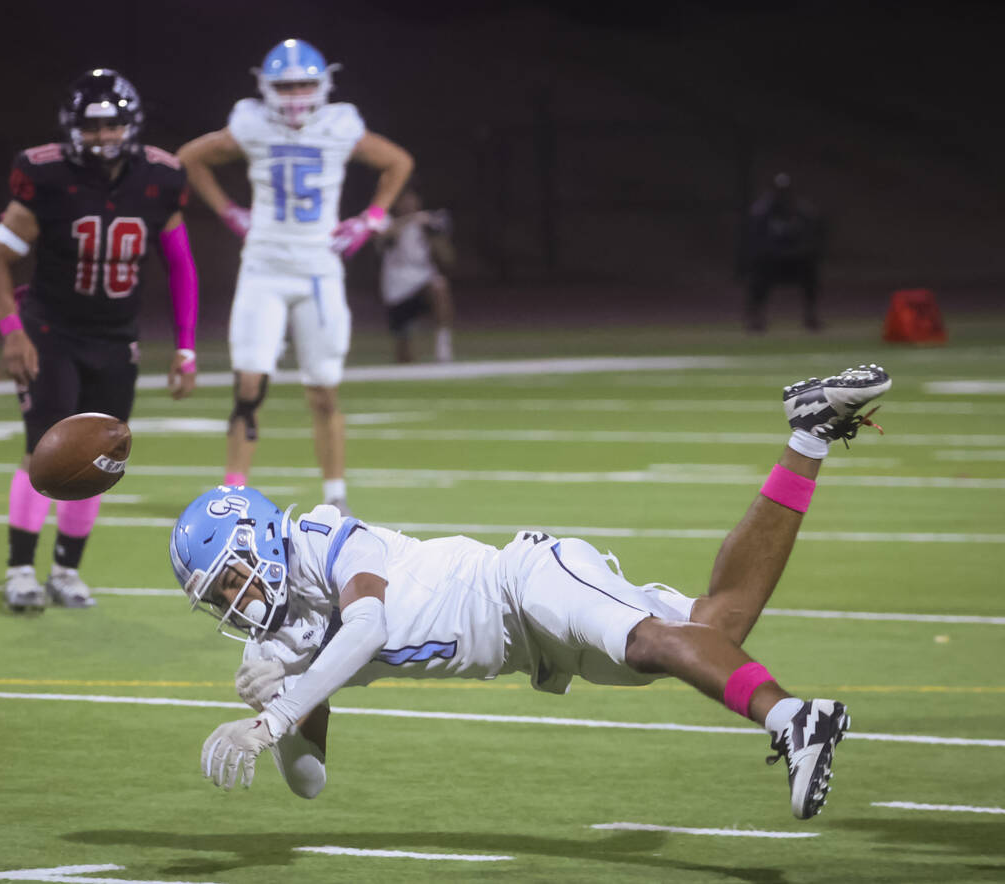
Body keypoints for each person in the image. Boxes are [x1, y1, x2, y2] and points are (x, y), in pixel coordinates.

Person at [170, 364, 893, 820]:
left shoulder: (324, 537)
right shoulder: (276, 645)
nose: (234, 601)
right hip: (531, 654)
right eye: (217, 596)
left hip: (522, 580)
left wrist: (278, 712)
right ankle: (809, 436)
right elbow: (310, 785)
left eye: (231, 577)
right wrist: (283, 704)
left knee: (650, 641)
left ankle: (797, 719)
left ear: (262, 537)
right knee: (713, 630)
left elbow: (365, 626)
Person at [0, 68, 201, 612]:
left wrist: (186, 344)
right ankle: (19, 570)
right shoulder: (45, 176)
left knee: (102, 457)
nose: (102, 137)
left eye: (112, 126)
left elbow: (180, 266)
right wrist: (12, 332)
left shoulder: (160, 178)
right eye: (92, 126)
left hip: (116, 336)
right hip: (51, 331)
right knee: (43, 449)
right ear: (72, 128)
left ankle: (66, 571)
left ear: (131, 126)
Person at [177, 38, 414, 516]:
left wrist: (371, 218)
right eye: (285, 86)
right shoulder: (251, 124)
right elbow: (189, 157)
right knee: (248, 386)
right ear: (267, 88)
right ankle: (234, 495)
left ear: (322, 84)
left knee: (323, 391)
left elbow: (397, 162)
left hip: (318, 272)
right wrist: (228, 212)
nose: (295, 95)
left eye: (304, 83)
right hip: (263, 265)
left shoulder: (339, 125)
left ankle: (336, 497)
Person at [376, 181, 456, 363]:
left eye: (412, 200)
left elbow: (448, 258)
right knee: (404, 356)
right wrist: (414, 218)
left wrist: (438, 235)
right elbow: (385, 237)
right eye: (404, 201)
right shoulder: (387, 220)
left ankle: (443, 345)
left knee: (439, 287)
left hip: (422, 280)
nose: (409, 204)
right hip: (396, 289)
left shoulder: (426, 225)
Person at [740, 173, 826, 333]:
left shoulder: (801, 210)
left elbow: (811, 234)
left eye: (785, 190)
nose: (782, 194)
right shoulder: (762, 211)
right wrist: (772, 253)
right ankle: (756, 317)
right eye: (779, 190)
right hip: (770, 260)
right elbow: (756, 238)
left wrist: (798, 251)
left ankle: (811, 315)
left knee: (810, 272)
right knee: (758, 277)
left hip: (794, 259)